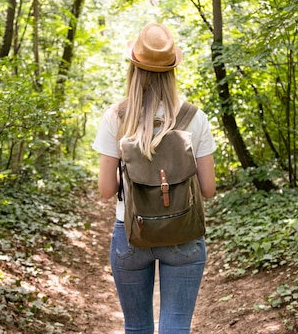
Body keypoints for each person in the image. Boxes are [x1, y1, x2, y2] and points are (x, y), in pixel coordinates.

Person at [92, 22, 216, 334]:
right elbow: (208, 189)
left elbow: (106, 190)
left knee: (137, 327)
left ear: (133, 69)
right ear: (172, 69)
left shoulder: (116, 118)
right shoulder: (194, 118)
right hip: (184, 234)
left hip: (132, 234)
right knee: (176, 326)